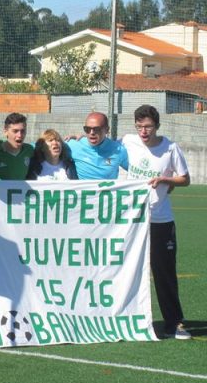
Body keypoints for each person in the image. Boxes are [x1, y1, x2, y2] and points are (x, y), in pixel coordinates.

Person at [122, 105, 191, 340]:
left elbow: (185, 179)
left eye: (148, 126)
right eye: (139, 126)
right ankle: (124, 320)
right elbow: (105, 151)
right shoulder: (128, 142)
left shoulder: (169, 148)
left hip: (160, 220)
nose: (143, 131)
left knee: (164, 273)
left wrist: (165, 179)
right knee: (124, 270)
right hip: (131, 221)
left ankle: (175, 323)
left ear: (157, 126)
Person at [66, 112, 128, 180]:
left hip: (107, 189)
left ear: (107, 130)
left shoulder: (118, 150)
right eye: (87, 129)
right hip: (83, 190)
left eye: (97, 129)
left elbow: (134, 171)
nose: (92, 133)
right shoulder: (73, 145)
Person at [0, 112, 33, 180]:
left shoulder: (29, 150)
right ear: (5, 131)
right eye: (15, 131)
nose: (20, 135)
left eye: (23, 131)